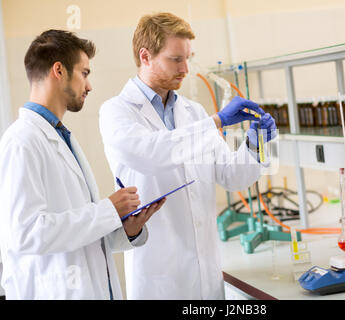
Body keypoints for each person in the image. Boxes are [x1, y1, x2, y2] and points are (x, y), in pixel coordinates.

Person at [99, 12, 277, 299]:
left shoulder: (192, 112)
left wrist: (256, 144)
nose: (185, 68)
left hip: (206, 273)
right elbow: (151, 154)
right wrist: (216, 122)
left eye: (188, 58)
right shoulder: (117, 111)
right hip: (158, 276)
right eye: (175, 59)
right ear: (146, 56)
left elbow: (231, 177)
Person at [0, 30, 165, 300]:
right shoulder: (22, 141)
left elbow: (76, 235)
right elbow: (26, 234)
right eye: (84, 73)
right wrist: (107, 210)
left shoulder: (60, 137)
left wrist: (125, 229)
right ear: (58, 70)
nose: (89, 86)